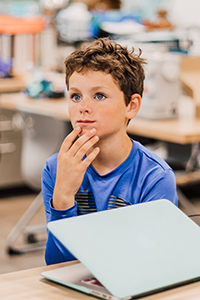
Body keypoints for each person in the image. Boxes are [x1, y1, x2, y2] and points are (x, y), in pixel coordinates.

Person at [42, 37, 178, 265]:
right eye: (75, 96)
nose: (83, 106)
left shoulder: (155, 177)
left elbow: (153, 262)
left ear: (131, 106)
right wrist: (63, 196)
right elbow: (57, 263)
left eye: (99, 96)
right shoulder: (57, 169)